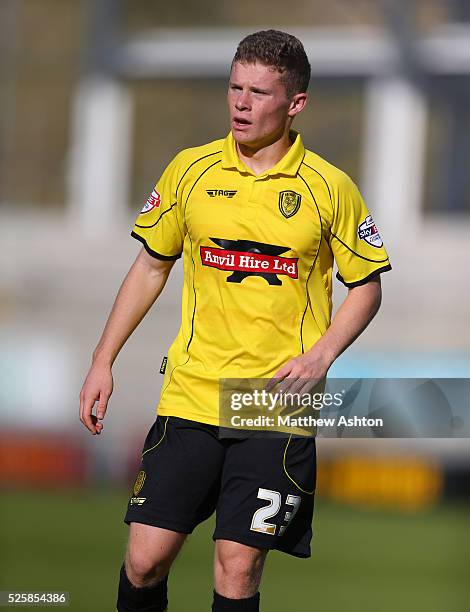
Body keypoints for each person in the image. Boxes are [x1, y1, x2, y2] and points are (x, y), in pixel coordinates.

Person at [79, 29, 391, 612]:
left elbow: (367, 286)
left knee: (237, 566)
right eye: (234, 88)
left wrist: (320, 357)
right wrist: (103, 360)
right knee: (144, 562)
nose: (242, 104)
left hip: (272, 403)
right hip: (192, 395)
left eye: (260, 92)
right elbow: (150, 267)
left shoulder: (329, 188)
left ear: (295, 103)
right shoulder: (190, 170)